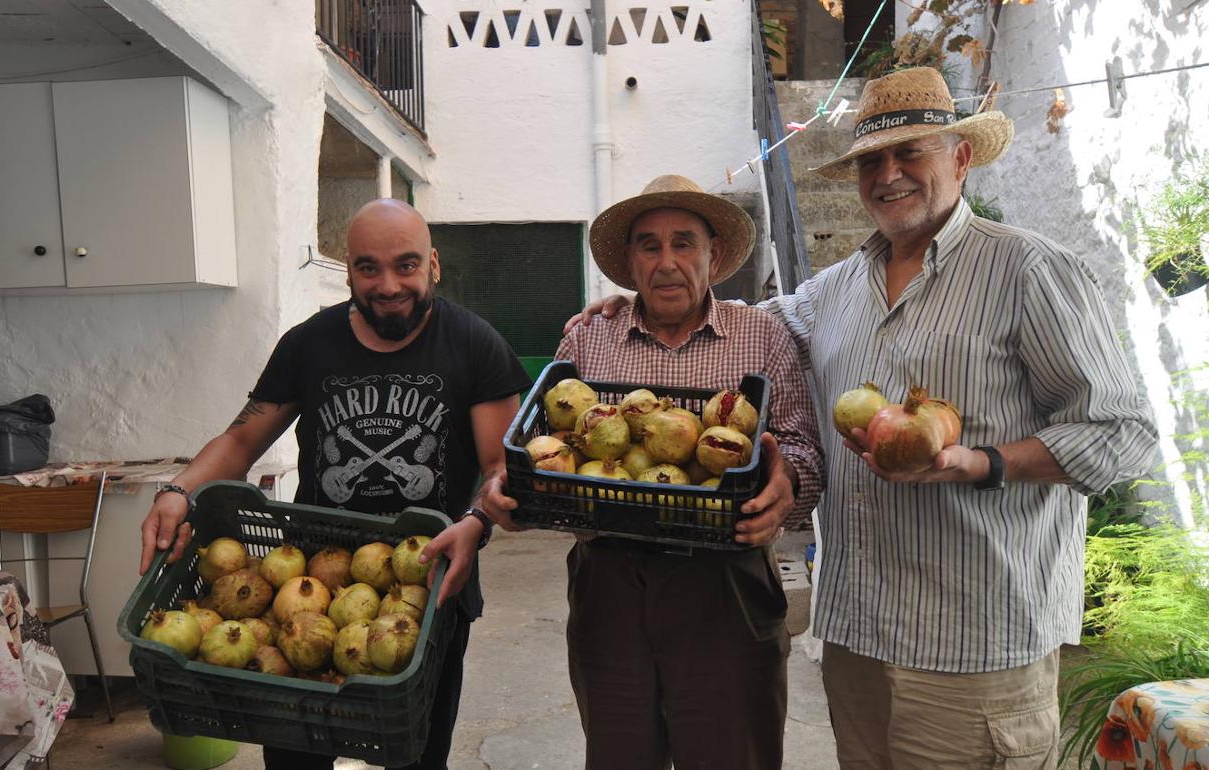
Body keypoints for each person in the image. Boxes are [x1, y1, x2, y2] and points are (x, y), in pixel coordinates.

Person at [570, 68, 1159, 769]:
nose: (889, 174)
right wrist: (640, 306)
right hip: (860, 640)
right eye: (872, 160)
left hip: (972, 640)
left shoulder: (1030, 270)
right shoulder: (840, 287)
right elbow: (741, 330)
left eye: (912, 152)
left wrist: (983, 461)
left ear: (961, 156)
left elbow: (1123, 432)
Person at [138, 199, 531, 770]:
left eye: (406, 265)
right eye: (369, 267)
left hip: (429, 587)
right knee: (297, 758)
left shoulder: (475, 344)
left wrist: (477, 522)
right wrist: (177, 490)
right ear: (347, 269)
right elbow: (244, 438)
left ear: (434, 265)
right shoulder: (309, 343)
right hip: (310, 577)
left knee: (417, 755)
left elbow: (498, 468)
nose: (388, 284)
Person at [483, 173, 825, 770]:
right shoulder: (590, 336)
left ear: (714, 256)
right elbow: (551, 442)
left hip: (726, 584)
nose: (667, 262)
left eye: (684, 243)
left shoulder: (762, 337)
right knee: (619, 754)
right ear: (630, 263)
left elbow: (801, 446)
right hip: (609, 580)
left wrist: (786, 485)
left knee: (733, 755)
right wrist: (517, 494)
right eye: (649, 245)